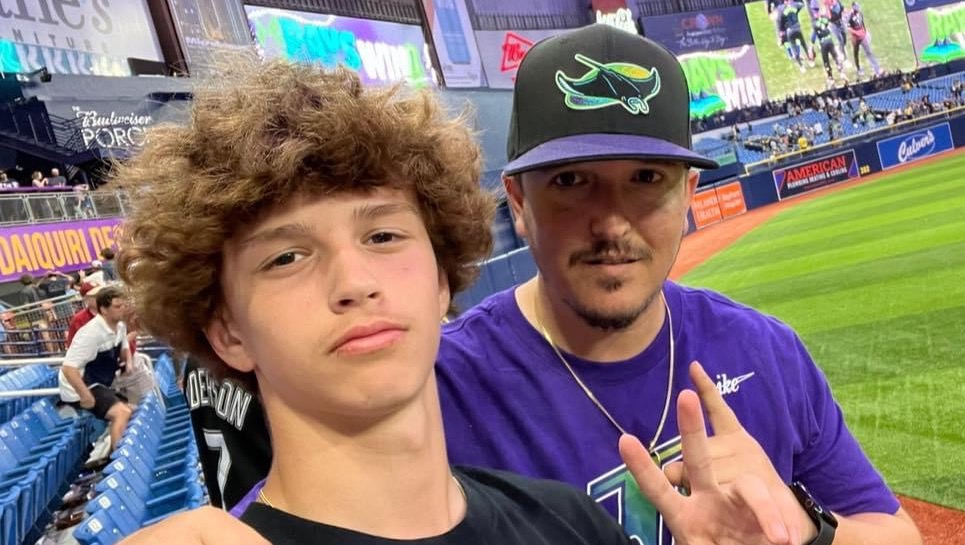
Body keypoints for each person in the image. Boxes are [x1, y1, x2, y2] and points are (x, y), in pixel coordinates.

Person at [119, 25, 922, 545]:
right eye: (570, 181)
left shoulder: (759, 349)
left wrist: (802, 532)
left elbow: (890, 530)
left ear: (687, 194)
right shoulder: (421, 383)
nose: (611, 220)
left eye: (645, 179)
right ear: (517, 203)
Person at [114, 58, 648, 545]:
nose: (354, 282)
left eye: (383, 236)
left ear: (440, 281)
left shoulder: (570, 521)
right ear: (228, 331)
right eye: (287, 258)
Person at [58, 286, 133, 450]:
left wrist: (128, 362)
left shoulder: (120, 326)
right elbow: (68, 369)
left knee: (132, 409)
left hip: (99, 382)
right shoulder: (90, 334)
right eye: (117, 306)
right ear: (103, 310)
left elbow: (124, 346)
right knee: (122, 413)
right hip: (80, 386)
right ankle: (119, 459)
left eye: (124, 305)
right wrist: (85, 395)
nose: (123, 309)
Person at [846, 2, 881, 79]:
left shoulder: (860, 14)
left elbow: (862, 24)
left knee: (869, 52)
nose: (858, 8)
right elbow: (848, 28)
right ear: (853, 7)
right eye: (856, 7)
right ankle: (858, 68)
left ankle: (877, 68)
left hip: (862, 36)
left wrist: (865, 32)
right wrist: (856, 33)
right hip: (855, 39)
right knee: (856, 54)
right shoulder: (850, 16)